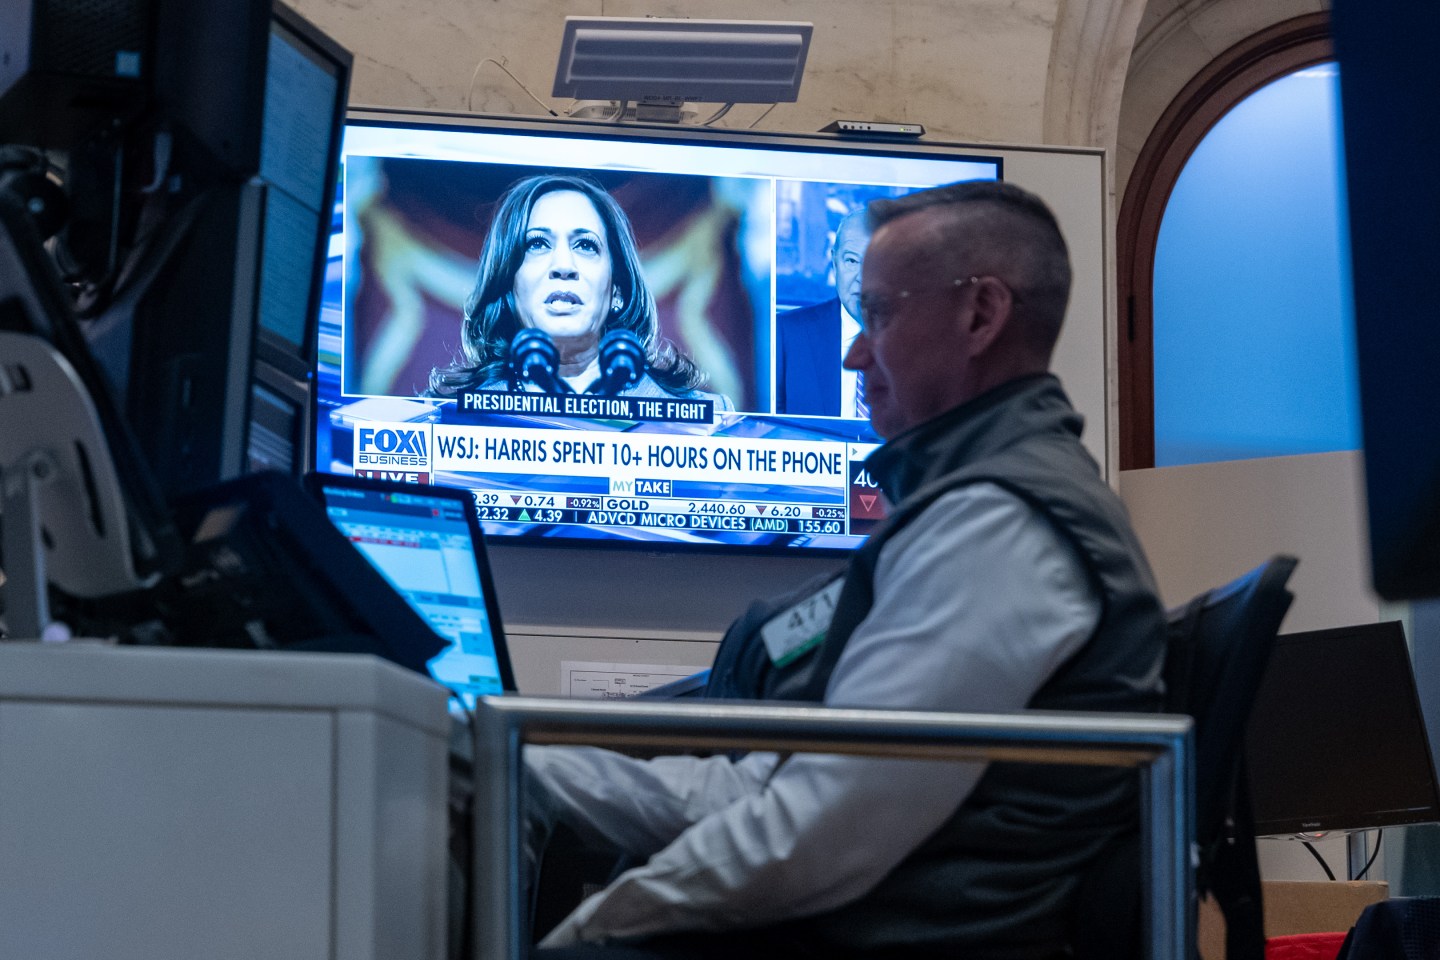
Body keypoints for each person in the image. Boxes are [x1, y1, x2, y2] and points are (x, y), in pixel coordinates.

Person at [526, 180, 1168, 959]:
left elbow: (816, 837)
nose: (855, 349)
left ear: (981, 316)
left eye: (880, 314)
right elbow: (773, 789)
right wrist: (530, 769)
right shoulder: (973, 505)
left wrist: (583, 934)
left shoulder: (999, 525)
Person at [427, 174, 731, 410]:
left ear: (618, 292)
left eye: (585, 245)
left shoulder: (704, 423)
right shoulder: (447, 418)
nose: (563, 266)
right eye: (537, 244)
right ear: (508, 284)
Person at [775, 207, 871, 417]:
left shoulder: (928, 344)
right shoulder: (786, 335)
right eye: (852, 261)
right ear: (835, 263)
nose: (862, 278)